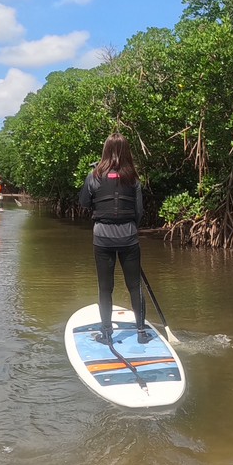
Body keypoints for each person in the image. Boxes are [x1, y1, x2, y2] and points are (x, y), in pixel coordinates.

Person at [78, 133, 149, 344]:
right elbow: (139, 212)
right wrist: (130, 229)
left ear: (105, 150)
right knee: (134, 286)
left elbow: (83, 202)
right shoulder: (134, 179)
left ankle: (107, 333)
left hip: (102, 239)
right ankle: (141, 332)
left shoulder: (94, 176)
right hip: (129, 237)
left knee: (105, 287)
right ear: (126, 151)